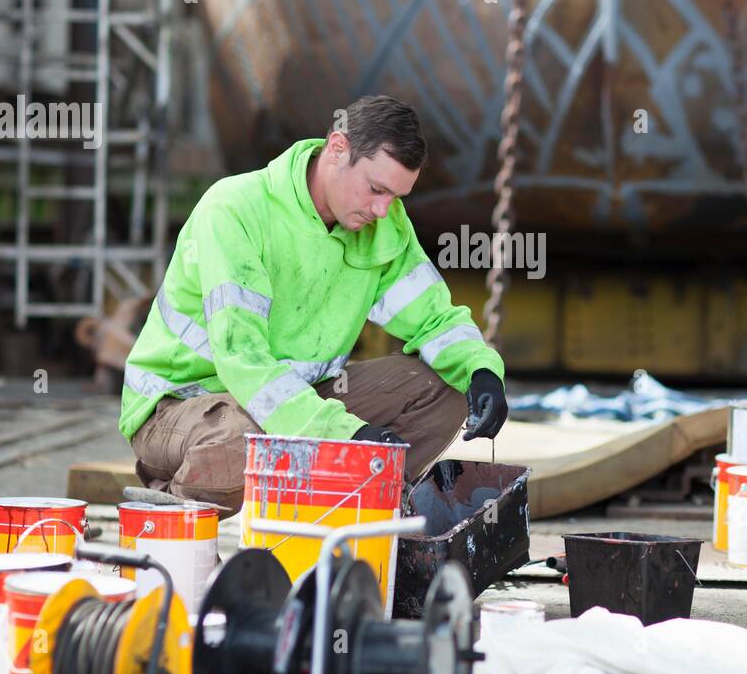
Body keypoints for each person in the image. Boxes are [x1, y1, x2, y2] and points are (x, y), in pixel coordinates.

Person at [117, 95, 508, 515]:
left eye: (395, 197)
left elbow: (433, 318)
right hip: (179, 404)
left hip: (290, 397)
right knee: (248, 446)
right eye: (376, 189)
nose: (382, 210)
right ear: (337, 149)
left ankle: (343, 516)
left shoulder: (383, 225)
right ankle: (170, 522)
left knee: (446, 389)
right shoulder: (235, 209)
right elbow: (243, 361)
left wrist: (481, 370)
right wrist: (347, 434)